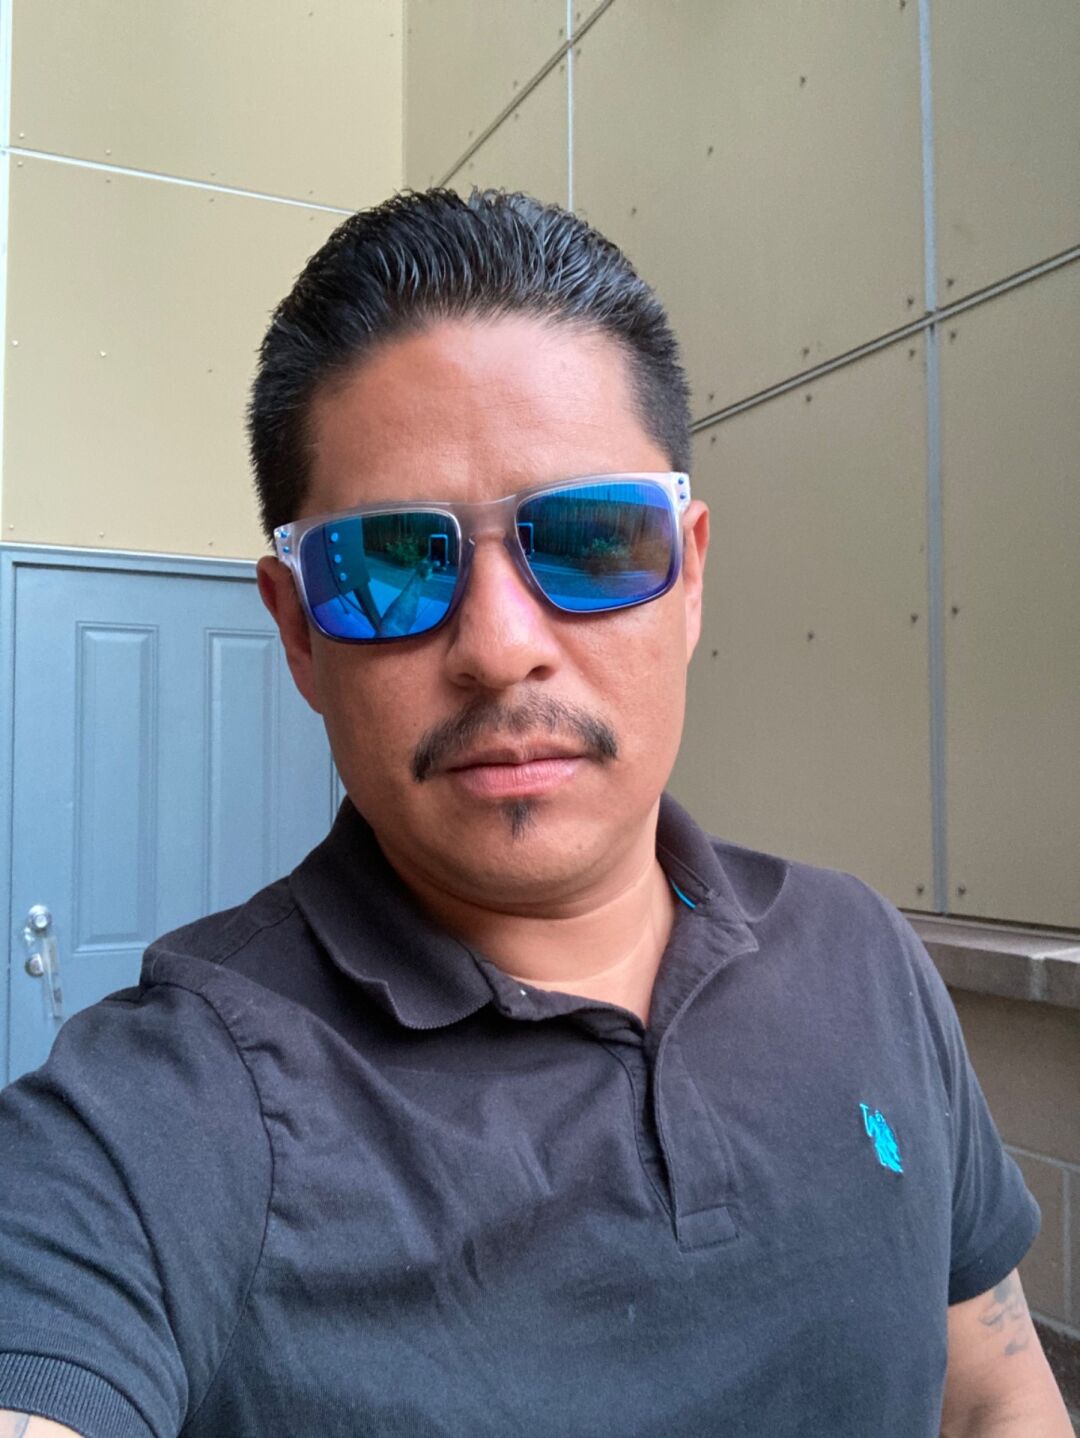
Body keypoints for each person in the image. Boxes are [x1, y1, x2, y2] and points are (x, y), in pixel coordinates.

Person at [0, 190, 1070, 1438]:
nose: (501, 647)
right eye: (390, 562)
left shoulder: (863, 956)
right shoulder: (160, 1118)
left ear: (689, 578)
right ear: (297, 633)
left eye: (590, 539)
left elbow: (993, 1388)